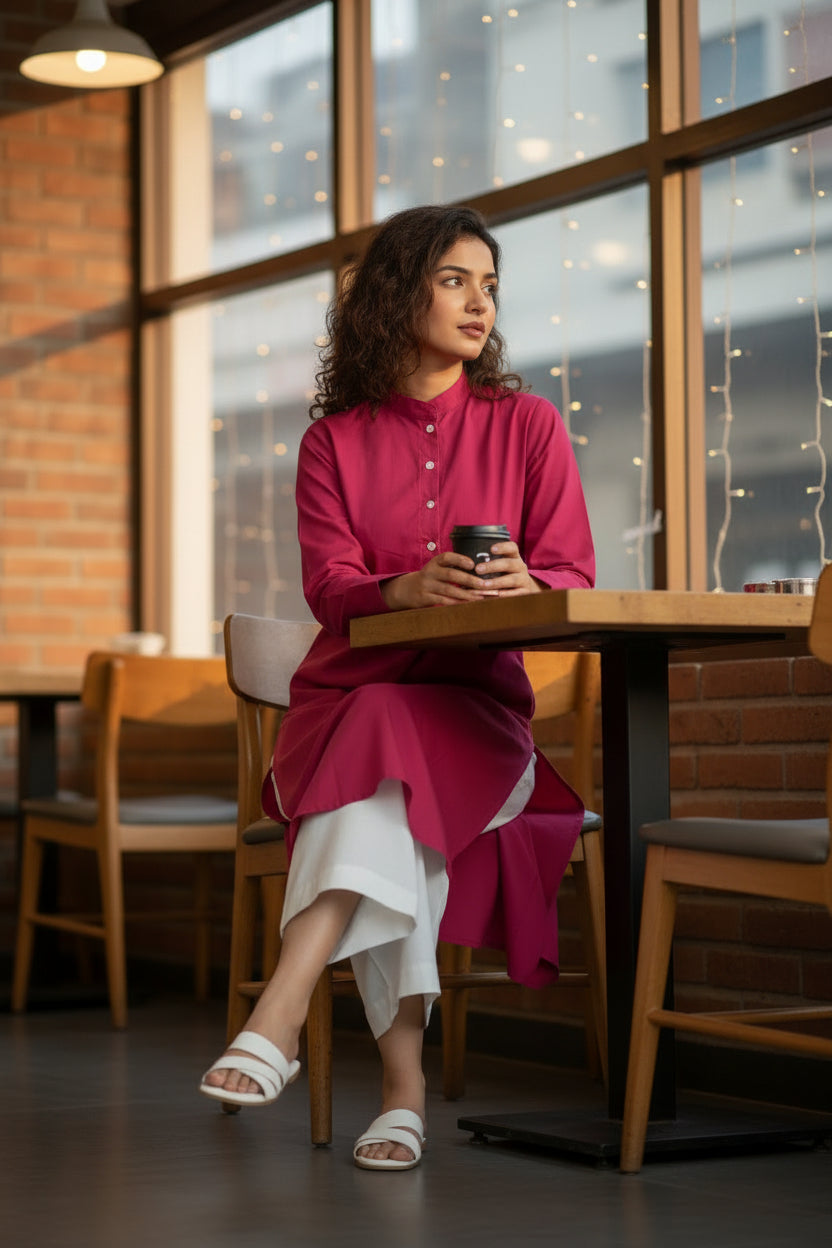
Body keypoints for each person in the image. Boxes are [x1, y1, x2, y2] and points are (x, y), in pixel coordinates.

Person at [200, 203, 595, 1170]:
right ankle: (404, 1088)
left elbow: (573, 575)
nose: (479, 302)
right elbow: (330, 590)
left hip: (473, 715)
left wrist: (525, 585)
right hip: (348, 707)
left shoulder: (529, 425)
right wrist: (402, 589)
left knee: (389, 756)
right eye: (454, 279)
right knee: (385, 761)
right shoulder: (331, 443)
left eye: (489, 285)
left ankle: (282, 1011)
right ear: (395, 292)